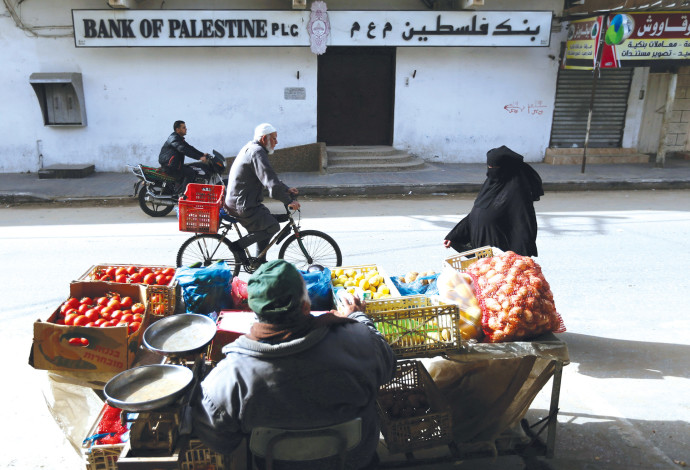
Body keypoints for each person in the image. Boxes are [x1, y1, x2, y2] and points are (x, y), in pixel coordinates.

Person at [191, 259, 396, 470]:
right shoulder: (359, 341)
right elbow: (388, 367)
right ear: (306, 306)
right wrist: (357, 316)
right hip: (356, 463)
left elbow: (220, 442)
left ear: (255, 312)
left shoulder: (228, 378)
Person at [443, 145, 544, 257]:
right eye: (489, 166)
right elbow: (476, 213)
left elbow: (522, 227)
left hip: (500, 255)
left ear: (506, 168)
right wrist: (454, 235)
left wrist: (518, 259)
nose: (490, 170)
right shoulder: (490, 185)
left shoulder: (517, 192)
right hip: (482, 251)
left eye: (493, 167)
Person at [224, 123, 300, 261]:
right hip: (243, 205)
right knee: (272, 226)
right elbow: (270, 182)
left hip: (244, 202)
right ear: (265, 138)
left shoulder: (253, 148)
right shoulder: (257, 152)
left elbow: (269, 177)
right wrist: (289, 201)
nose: (277, 142)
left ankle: (260, 261)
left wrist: (286, 189)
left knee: (267, 222)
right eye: (274, 139)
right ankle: (237, 247)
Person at [158, 120, 209, 193]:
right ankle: (183, 195)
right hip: (170, 167)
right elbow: (183, 150)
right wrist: (199, 158)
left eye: (185, 127)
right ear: (177, 129)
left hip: (175, 165)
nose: (186, 129)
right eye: (183, 127)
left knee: (191, 169)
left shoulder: (178, 138)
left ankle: (180, 190)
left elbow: (189, 148)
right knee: (190, 172)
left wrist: (202, 154)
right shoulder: (174, 139)